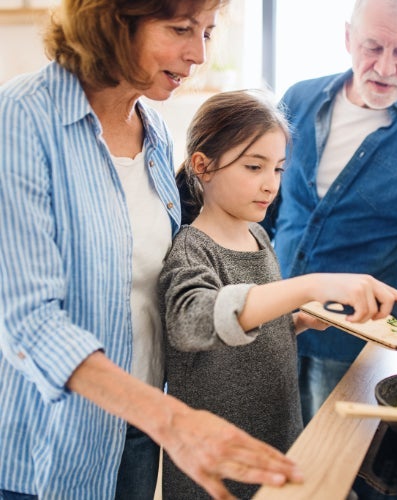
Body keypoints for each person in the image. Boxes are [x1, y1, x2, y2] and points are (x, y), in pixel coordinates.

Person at [0, 2, 303, 499]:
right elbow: (30, 322)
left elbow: (163, 288)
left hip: (139, 436)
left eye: (206, 32)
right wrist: (172, 418)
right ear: (113, 21)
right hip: (52, 443)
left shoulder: (155, 131)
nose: (199, 53)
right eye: (181, 29)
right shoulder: (21, 118)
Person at [158, 89, 397, 499]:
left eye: (277, 169)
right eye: (254, 167)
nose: (270, 184)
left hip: (278, 435)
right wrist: (306, 286)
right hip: (220, 465)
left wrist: (295, 321)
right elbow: (193, 322)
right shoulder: (192, 248)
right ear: (203, 166)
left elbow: (243, 333)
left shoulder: (258, 236)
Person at [262, 0, 397, 424]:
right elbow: (265, 209)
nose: (387, 67)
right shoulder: (296, 101)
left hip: (349, 344)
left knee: (338, 472)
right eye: (373, 47)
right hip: (268, 326)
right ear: (347, 38)